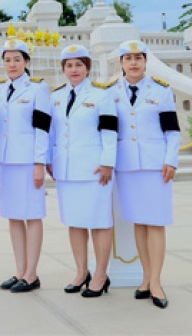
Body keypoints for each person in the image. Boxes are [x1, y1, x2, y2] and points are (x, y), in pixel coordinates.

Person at [109, 40, 179, 308]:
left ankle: (157, 282)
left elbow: (172, 130)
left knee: (156, 222)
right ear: (121, 63)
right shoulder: (111, 92)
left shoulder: (161, 90)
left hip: (155, 166)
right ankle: (146, 277)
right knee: (139, 222)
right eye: (128, 58)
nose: (133, 63)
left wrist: (171, 160)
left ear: (146, 60)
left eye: (138, 57)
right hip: (127, 166)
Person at [46, 45, 118, 298]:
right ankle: (81, 272)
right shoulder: (56, 96)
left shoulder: (101, 95)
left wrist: (108, 162)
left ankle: (100, 275)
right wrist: (49, 159)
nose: (74, 69)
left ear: (87, 67)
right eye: (69, 65)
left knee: (99, 222)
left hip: (94, 169)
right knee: (75, 222)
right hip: (66, 169)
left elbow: (110, 130)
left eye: (79, 64)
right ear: (63, 69)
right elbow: (52, 132)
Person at [0, 38, 51, 293]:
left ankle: (32, 273)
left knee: (33, 214)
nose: (12, 64)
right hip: (7, 161)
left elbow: (42, 128)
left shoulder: (37, 88)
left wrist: (40, 162)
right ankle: (19, 271)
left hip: (28, 161)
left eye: (17, 59)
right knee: (14, 216)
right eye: (7, 60)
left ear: (26, 62)